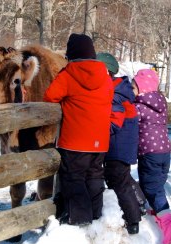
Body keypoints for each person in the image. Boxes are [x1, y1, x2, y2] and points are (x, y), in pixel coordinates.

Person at [43, 33, 113, 225]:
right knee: (94, 176)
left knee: (74, 178)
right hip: (100, 141)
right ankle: (96, 216)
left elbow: (50, 96)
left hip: (75, 140)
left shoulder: (69, 73)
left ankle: (81, 220)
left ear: (71, 53)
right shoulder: (105, 75)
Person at [96, 52, 146, 235]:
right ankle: (139, 205)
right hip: (122, 145)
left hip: (118, 147)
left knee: (119, 182)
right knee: (122, 179)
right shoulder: (120, 89)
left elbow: (115, 122)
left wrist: (98, 132)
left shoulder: (115, 93)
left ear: (106, 72)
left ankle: (133, 220)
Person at [133, 69, 171, 244]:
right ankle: (156, 210)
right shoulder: (161, 103)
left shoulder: (138, 107)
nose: (132, 90)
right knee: (158, 184)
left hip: (149, 153)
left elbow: (128, 118)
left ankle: (168, 223)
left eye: (134, 86)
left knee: (152, 187)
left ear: (142, 88)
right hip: (164, 151)